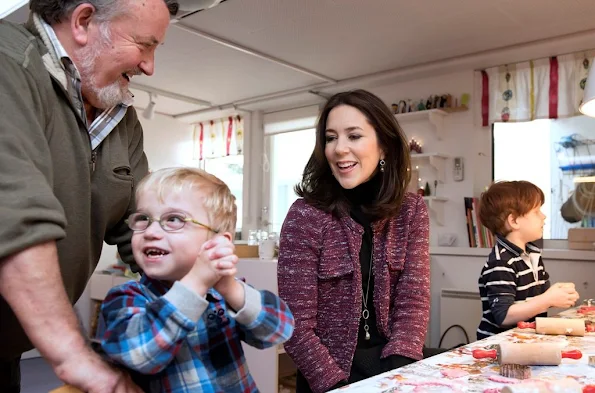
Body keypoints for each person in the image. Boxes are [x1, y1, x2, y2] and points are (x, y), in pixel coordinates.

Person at [0, 1, 232, 392]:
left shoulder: (122, 119)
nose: (149, 66)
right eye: (145, 44)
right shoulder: (9, 63)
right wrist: (75, 356)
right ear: (84, 22)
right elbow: (14, 213)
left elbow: (141, 222)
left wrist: (199, 299)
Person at [277, 89, 430, 393]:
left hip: (393, 367)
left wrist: (396, 375)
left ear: (384, 145)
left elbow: (413, 301)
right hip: (328, 379)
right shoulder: (305, 215)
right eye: (331, 138)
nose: (338, 148)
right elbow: (295, 324)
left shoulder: (411, 211)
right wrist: (338, 386)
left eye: (354, 136)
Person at [97, 167, 295, 392]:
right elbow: (140, 354)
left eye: (173, 219)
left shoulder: (223, 294)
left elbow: (278, 331)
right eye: (143, 218)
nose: (151, 231)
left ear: (218, 242)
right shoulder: (126, 298)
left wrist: (231, 288)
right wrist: (196, 283)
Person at [476, 181, 580, 340]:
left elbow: (534, 301)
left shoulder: (533, 254)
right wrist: (548, 299)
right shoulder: (501, 262)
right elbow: (504, 316)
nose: (543, 216)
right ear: (514, 221)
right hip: (499, 346)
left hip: (525, 341)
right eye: (537, 211)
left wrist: (558, 295)